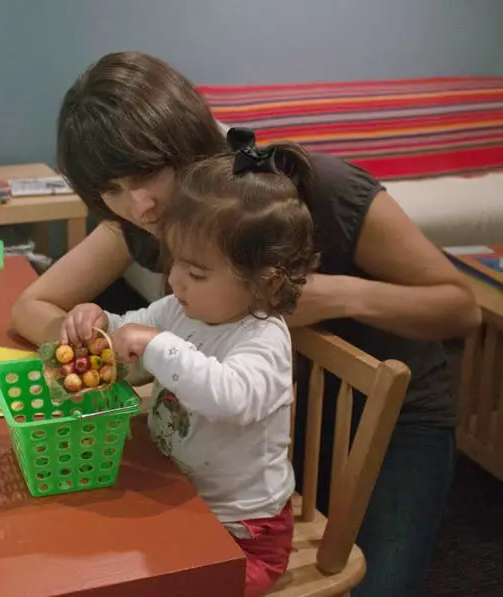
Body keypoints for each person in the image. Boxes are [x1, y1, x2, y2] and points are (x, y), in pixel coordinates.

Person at [11, 51, 482, 597]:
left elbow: (460, 308)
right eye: (110, 190)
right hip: (252, 438)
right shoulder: (154, 216)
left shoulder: (313, 190)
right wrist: (90, 341)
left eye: (145, 175)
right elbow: (32, 306)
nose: (136, 205)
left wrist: (332, 296)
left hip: (389, 424)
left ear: (185, 141)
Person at [62, 139, 319, 596]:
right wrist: (99, 322)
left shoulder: (263, 339)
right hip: (181, 494)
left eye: (197, 272)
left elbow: (230, 397)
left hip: (243, 533)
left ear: (266, 283)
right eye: (177, 260)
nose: (177, 279)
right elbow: (131, 331)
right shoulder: (183, 308)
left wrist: (158, 345)